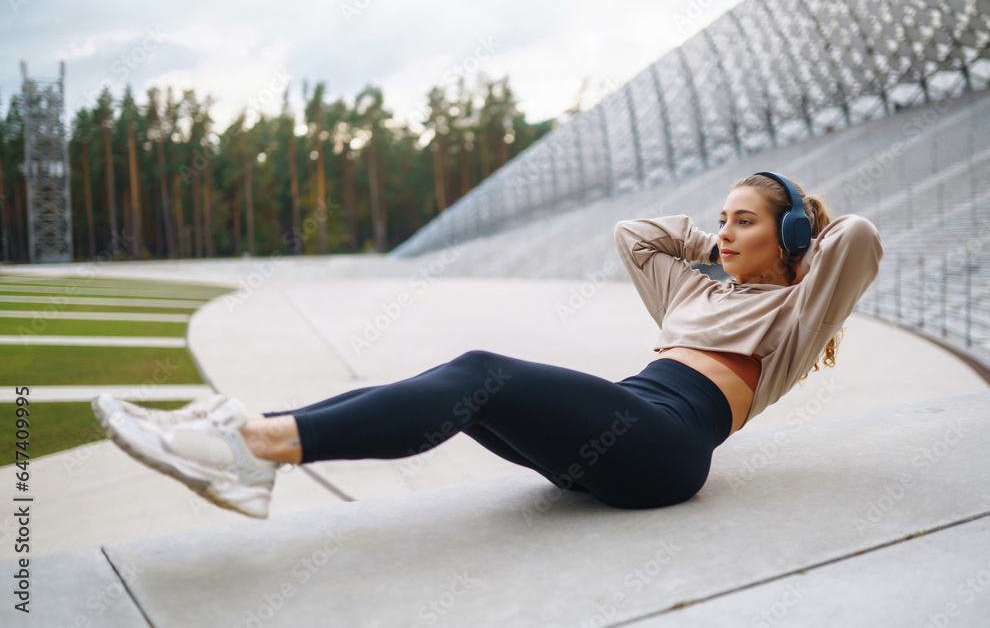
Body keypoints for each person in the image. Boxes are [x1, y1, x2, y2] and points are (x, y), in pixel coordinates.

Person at [92, 172, 883, 519]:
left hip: (669, 446)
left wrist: (799, 242)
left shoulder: (795, 314)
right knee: (461, 387)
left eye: (744, 220)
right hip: (628, 419)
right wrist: (710, 244)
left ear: (789, 239)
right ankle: (250, 433)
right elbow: (634, 236)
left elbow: (862, 238)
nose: (722, 230)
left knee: (479, 372)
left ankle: (256, 447)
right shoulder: (694, 286)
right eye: (721, 216)